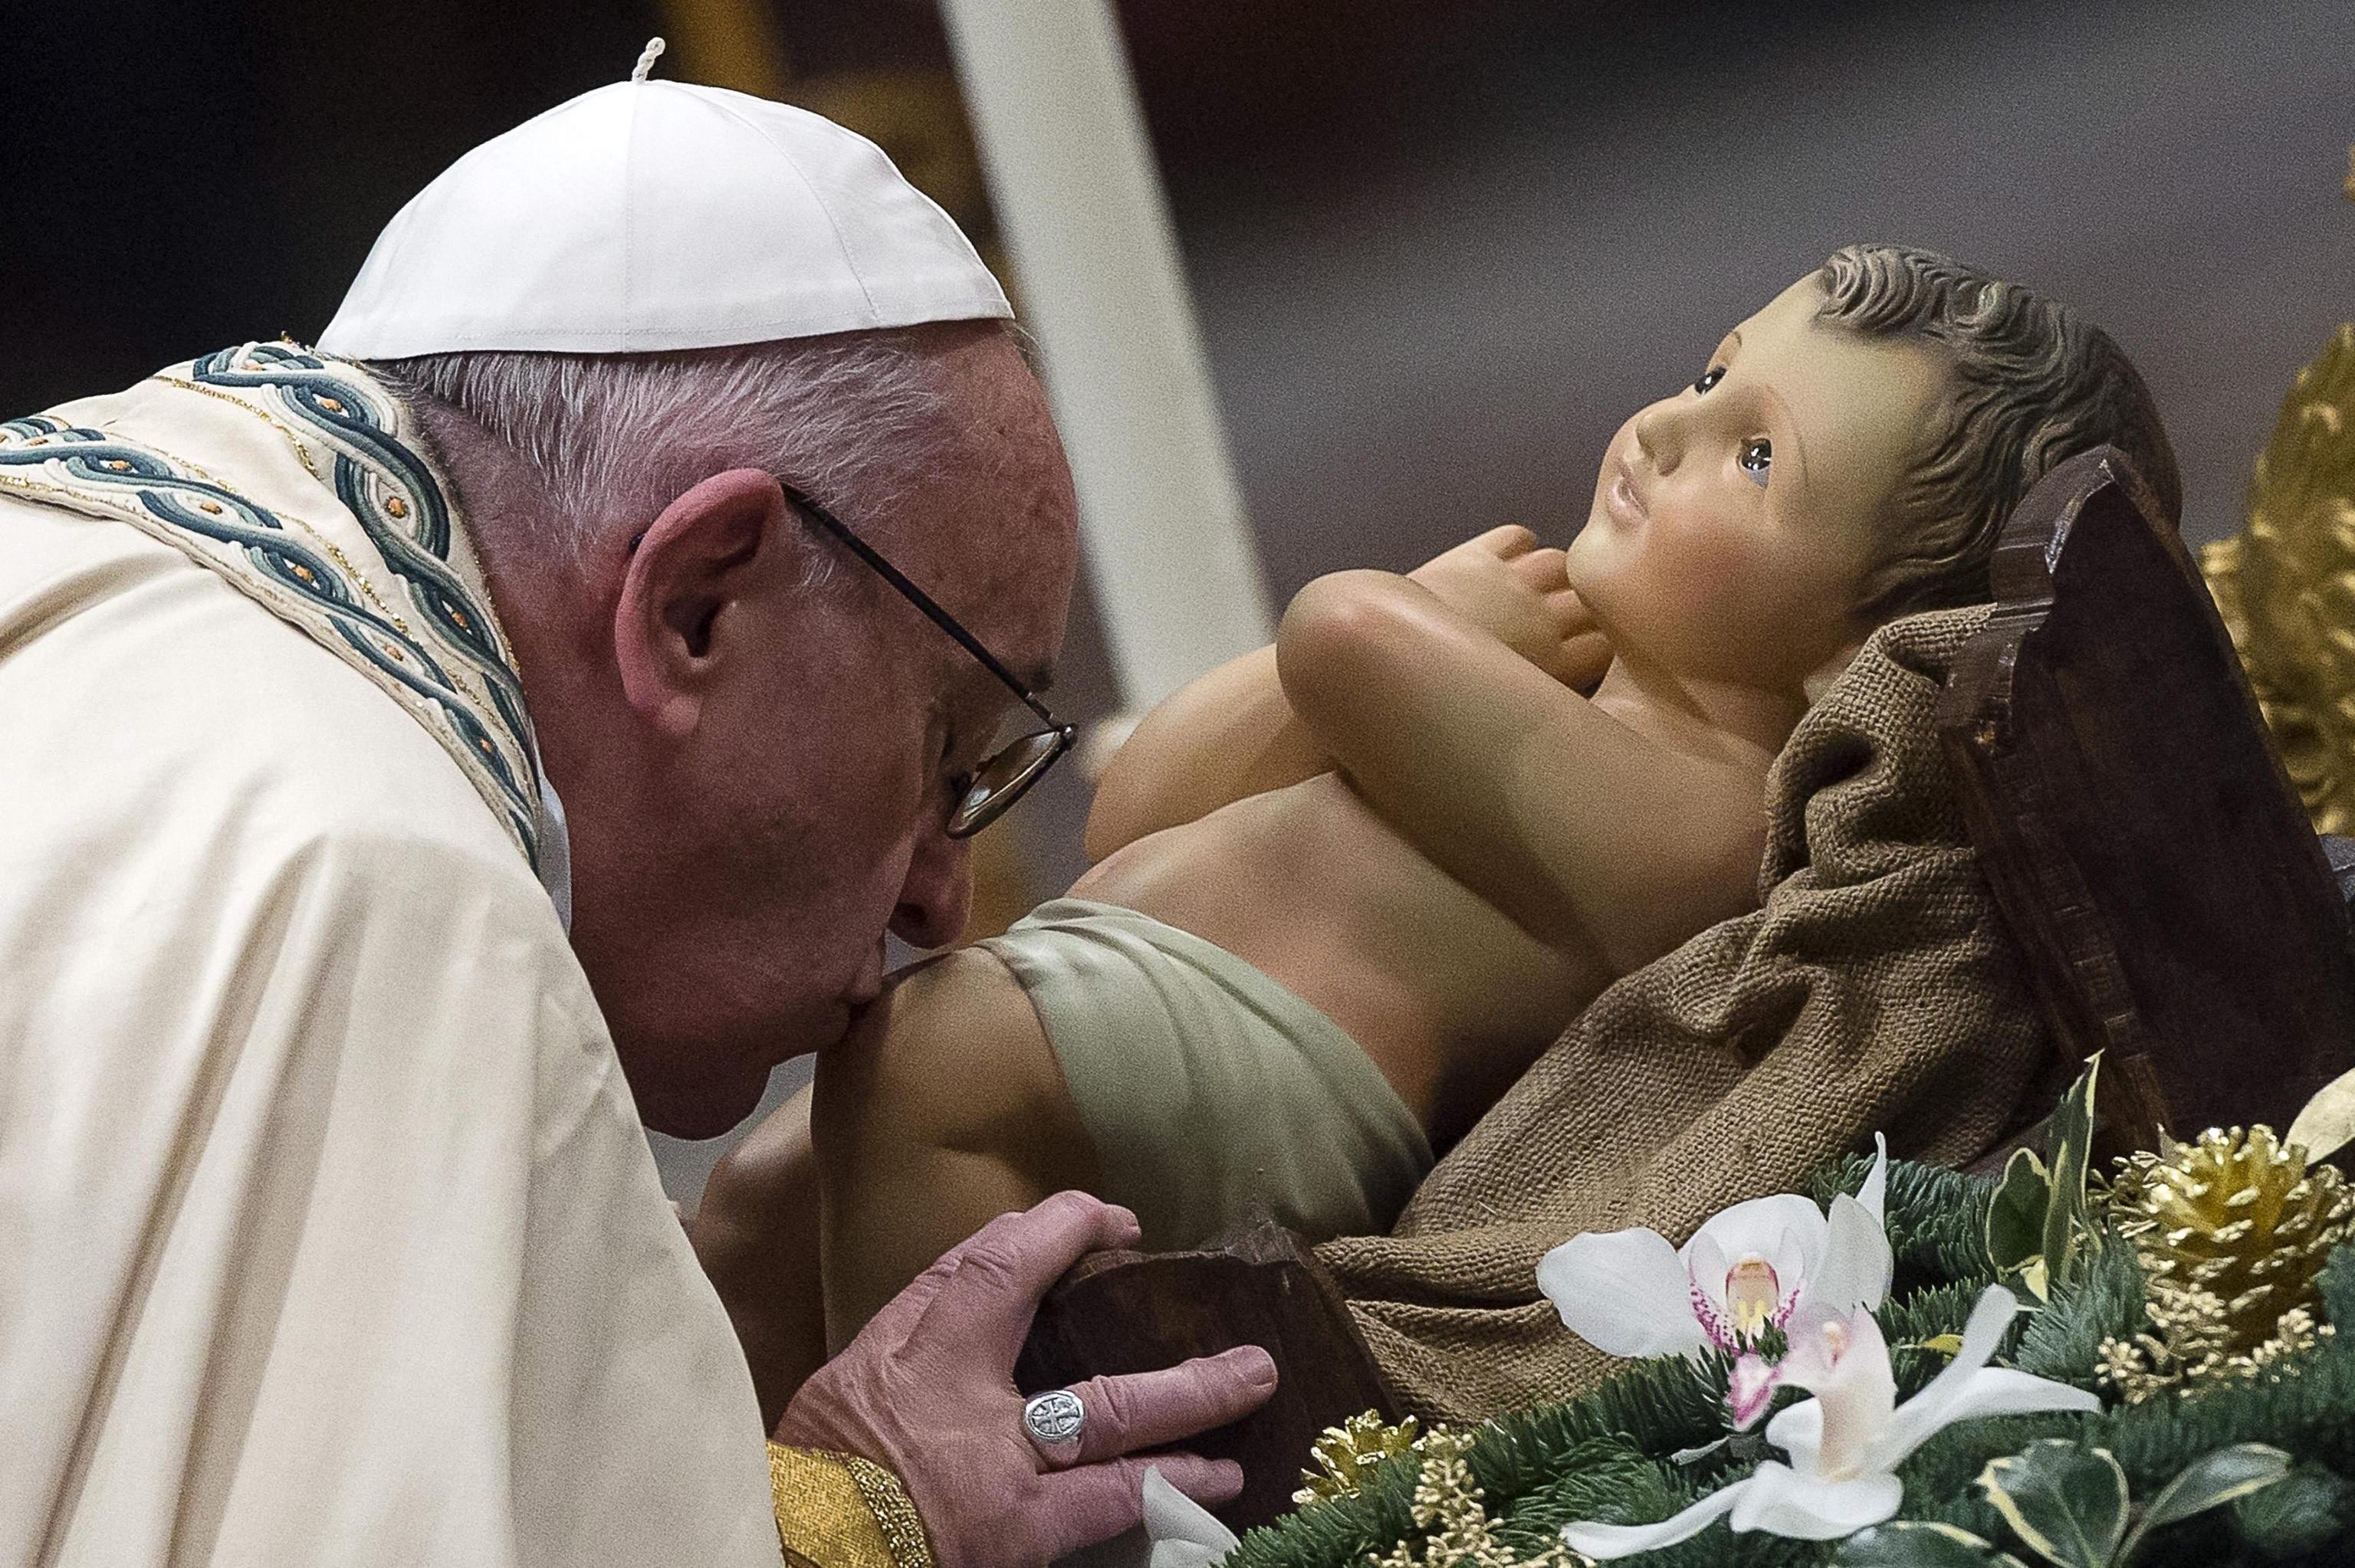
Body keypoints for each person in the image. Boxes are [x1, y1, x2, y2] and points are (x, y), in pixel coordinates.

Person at [0, 55, 1271, 1568]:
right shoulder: (379, 893)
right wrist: (859, 1519)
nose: (943, 891)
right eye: (951, 745)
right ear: (696, 604)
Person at [696, 244, 2182, 1399]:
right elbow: (1138, 801)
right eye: (1710, 372)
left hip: (1280, 1085)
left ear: (1850, 653)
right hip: (1106, 998)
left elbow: (1337, 636)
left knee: (924, 1057)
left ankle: (916, 1512)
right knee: (765, 1195)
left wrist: (1418, 613)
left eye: (1754, 457)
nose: (1663, 426)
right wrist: (1418, 638)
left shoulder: (1708, 819)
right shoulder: (1558, 676)